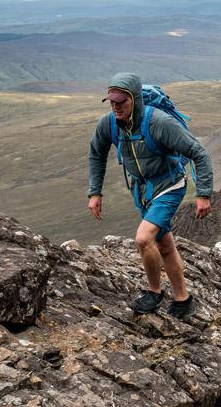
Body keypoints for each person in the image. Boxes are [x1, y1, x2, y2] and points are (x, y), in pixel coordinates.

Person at [87, 73, 213, 319]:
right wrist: (95, 192)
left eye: (121, 102)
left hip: (169, 186)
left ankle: (154, 292)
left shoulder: (158, 122)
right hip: (142, 191)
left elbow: (198, 152)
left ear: (134, 99)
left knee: (144, 239)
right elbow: (96, 153)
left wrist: (204, 194)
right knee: (164, 245)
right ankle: (183, 299)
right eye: (111, 102)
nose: (115, 107)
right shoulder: (109, 123)